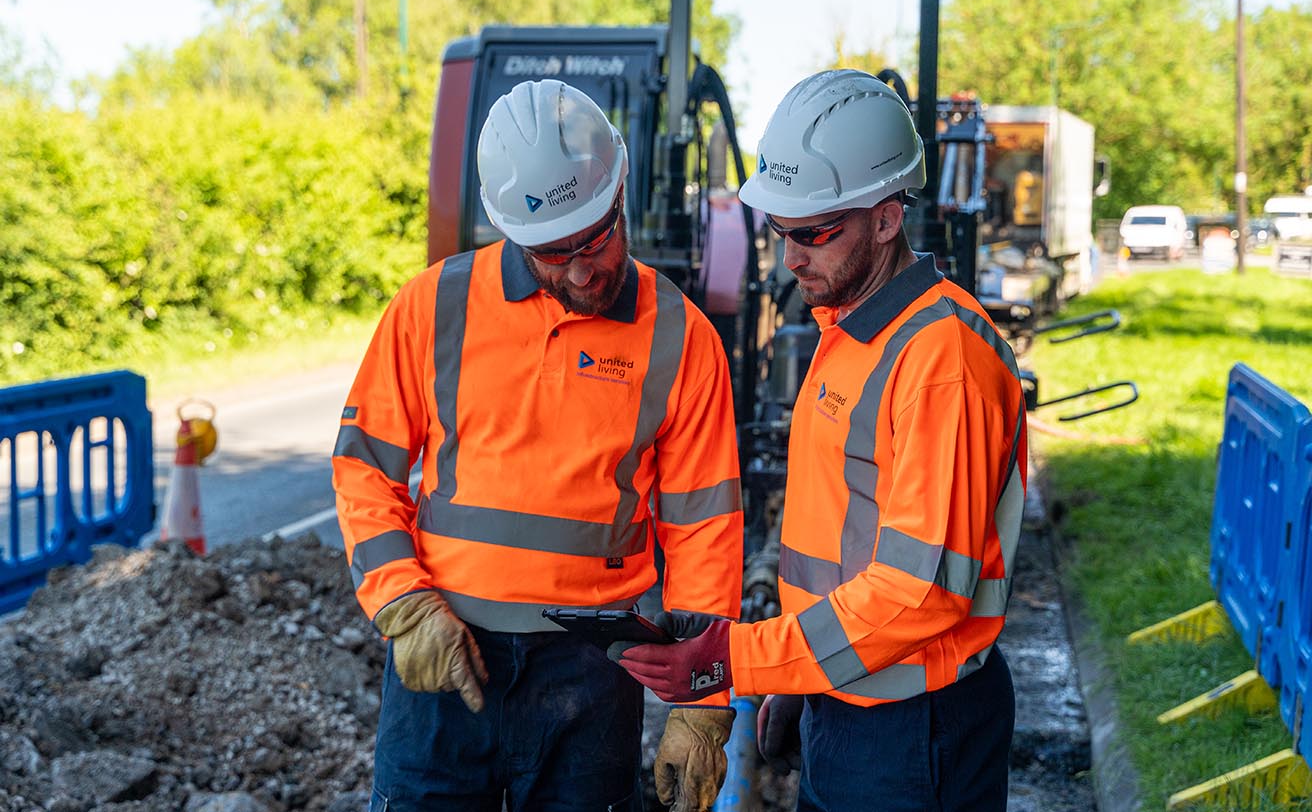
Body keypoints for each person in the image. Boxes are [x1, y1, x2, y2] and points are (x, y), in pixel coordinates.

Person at [611, 69, 1028, 812]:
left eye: (814, 233)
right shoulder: (851, 332)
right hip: (854, 702)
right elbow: (842, 542)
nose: (791, 257)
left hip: (912, 731)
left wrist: (739, 660)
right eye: (781, 233)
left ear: (888, 218)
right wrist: (803, 681)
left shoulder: (941, 363)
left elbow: (920, 591)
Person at [332, 78, 744, 812]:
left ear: (620, 196)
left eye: (597, 239)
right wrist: (402, 603)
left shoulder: (681, 337)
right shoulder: (433, 307)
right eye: (554, 254)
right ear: (510, 233)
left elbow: (704, 529)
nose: (583, 269)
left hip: (592, 679)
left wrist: (702, 700)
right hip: (446, 657)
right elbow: (367, 468)